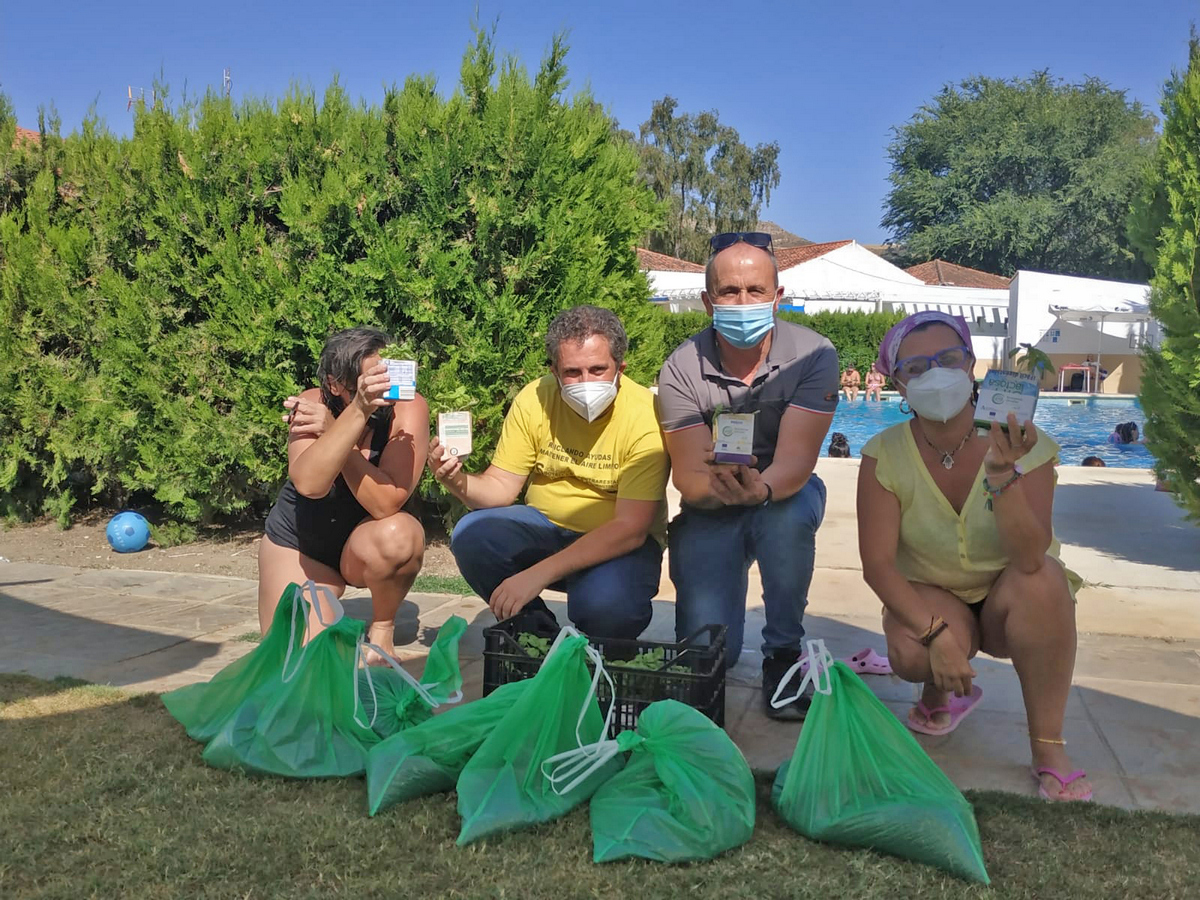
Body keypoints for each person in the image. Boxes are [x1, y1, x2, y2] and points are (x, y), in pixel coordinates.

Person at [857, 311, 1091, 802]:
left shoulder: (1027, 445)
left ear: (970, 366)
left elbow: (1029, 557)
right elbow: (877, 565)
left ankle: (1048, 747)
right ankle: (938, 688)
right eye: (915, 367)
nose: (935, 374)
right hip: (934, 594)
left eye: (947, 359)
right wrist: (936, 635)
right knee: (912, 649)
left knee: (1044, 579)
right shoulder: (883, 454)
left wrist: (1003, 473)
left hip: (1013, 595)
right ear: (897, 382)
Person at [657, 231, 838, 720]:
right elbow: (690, 480)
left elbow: (797, 462)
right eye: (729, 292)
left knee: (787, 518)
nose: (742, 302)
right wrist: (722, 494)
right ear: (706, 300)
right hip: (710, 503)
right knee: (711, 654)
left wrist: (759, 490)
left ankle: (783, 653)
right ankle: (714, 625)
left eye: (755, 291)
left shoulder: (815, 355)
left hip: (781, 492)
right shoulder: (679, 368)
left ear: (778, 297)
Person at [427, 305, 668, 639]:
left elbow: (631, 529)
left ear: (620, 368)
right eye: (572, 372)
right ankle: (535, 635)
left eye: (598, 369)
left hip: (619, 543)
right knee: (471, 534)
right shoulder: (535, 398)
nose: (586, 382)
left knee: (604, 609)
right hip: (546, 528)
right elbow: (499, 488)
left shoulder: (646, 415)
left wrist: (536, 575)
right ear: (554, 370)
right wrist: (454, 478)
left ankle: (603, 641)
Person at [259, 327, 428, 663]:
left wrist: (335, 432)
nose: (378, 391)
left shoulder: (407, 407)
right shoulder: (310, 404)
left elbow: (386, 503)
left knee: (400, 533)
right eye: (366, 384)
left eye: (383, 376)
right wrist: (352, 417)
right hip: (300, 543)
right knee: (294, 659)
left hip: (365, 541)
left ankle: (383, 626)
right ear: (335, 384)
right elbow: (310, 484)